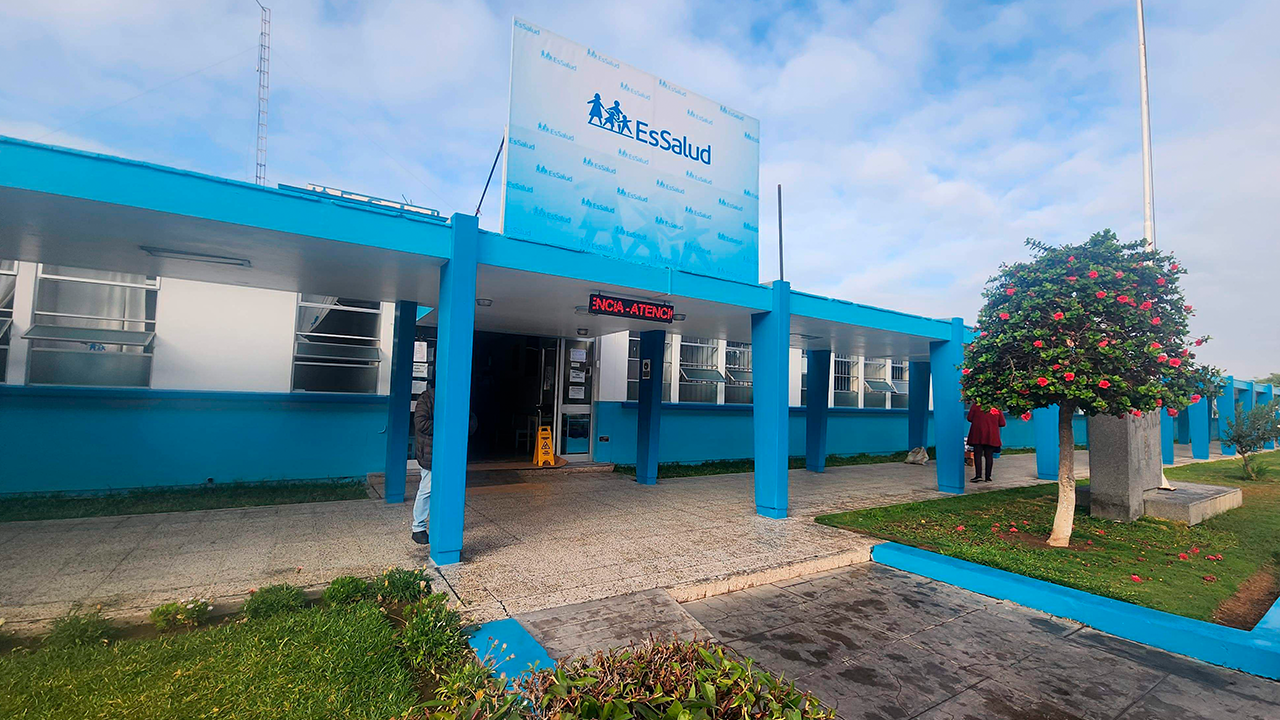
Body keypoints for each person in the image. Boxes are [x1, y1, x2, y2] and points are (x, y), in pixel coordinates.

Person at [410, 385, 433, 545]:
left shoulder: (457, 396)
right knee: (426, 489)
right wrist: (448, 423)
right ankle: (418, 528)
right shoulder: (426, 399)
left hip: (450, 455)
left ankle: (441, 522)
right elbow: (421, 424)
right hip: (430, 454)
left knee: (448, 490)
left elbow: (471, 420)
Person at [967, 403, 1005, 483]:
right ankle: (988, 477)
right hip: (991, 435)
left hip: (977, 434)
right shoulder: (996, 407)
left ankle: (978, 476)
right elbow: (1002, 423)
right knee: (989, 456)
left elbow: (969, 418)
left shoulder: (976, 406)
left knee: (977, 455)